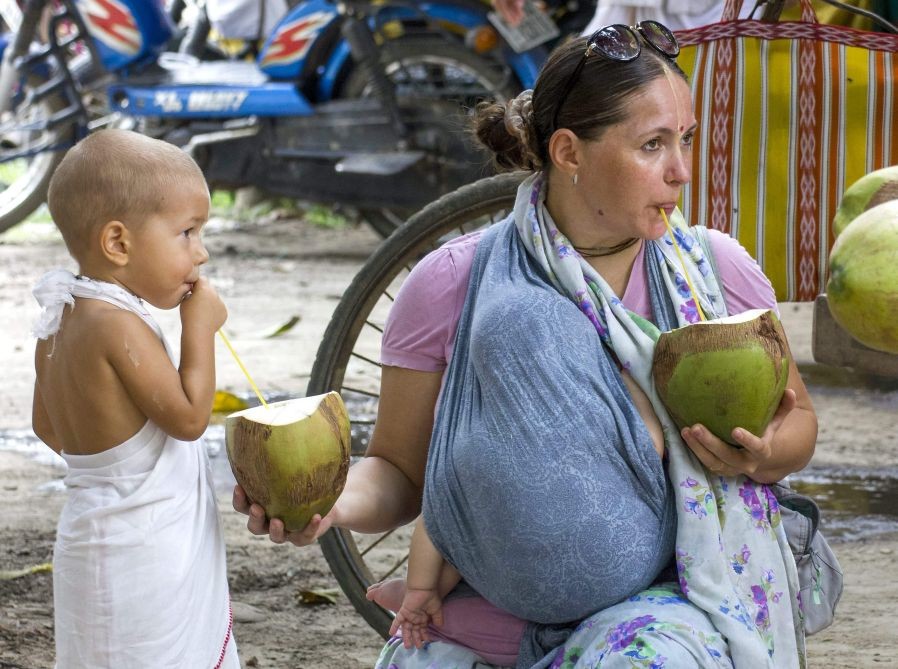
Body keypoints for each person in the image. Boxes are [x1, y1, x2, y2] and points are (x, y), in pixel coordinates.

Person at [235, 19, 819, 669]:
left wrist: (759, 457)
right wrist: (328, 499)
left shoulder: (713, 272)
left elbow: (798, 425)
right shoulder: (454, 283)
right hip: (484, 615)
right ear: (569, 152)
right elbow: (401, 474)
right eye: (652, 145)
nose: (681, 171)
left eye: (684, 140)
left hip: (665, 605)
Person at [31, 129, 238, 668]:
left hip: (91, 540)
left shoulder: (61, 317)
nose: (202, 251)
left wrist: (109, 463)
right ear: (118, 243)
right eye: (187, 233)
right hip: (140, 556)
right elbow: (191, 419)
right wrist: (201, 328)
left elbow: (46, 426)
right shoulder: (116, 325)